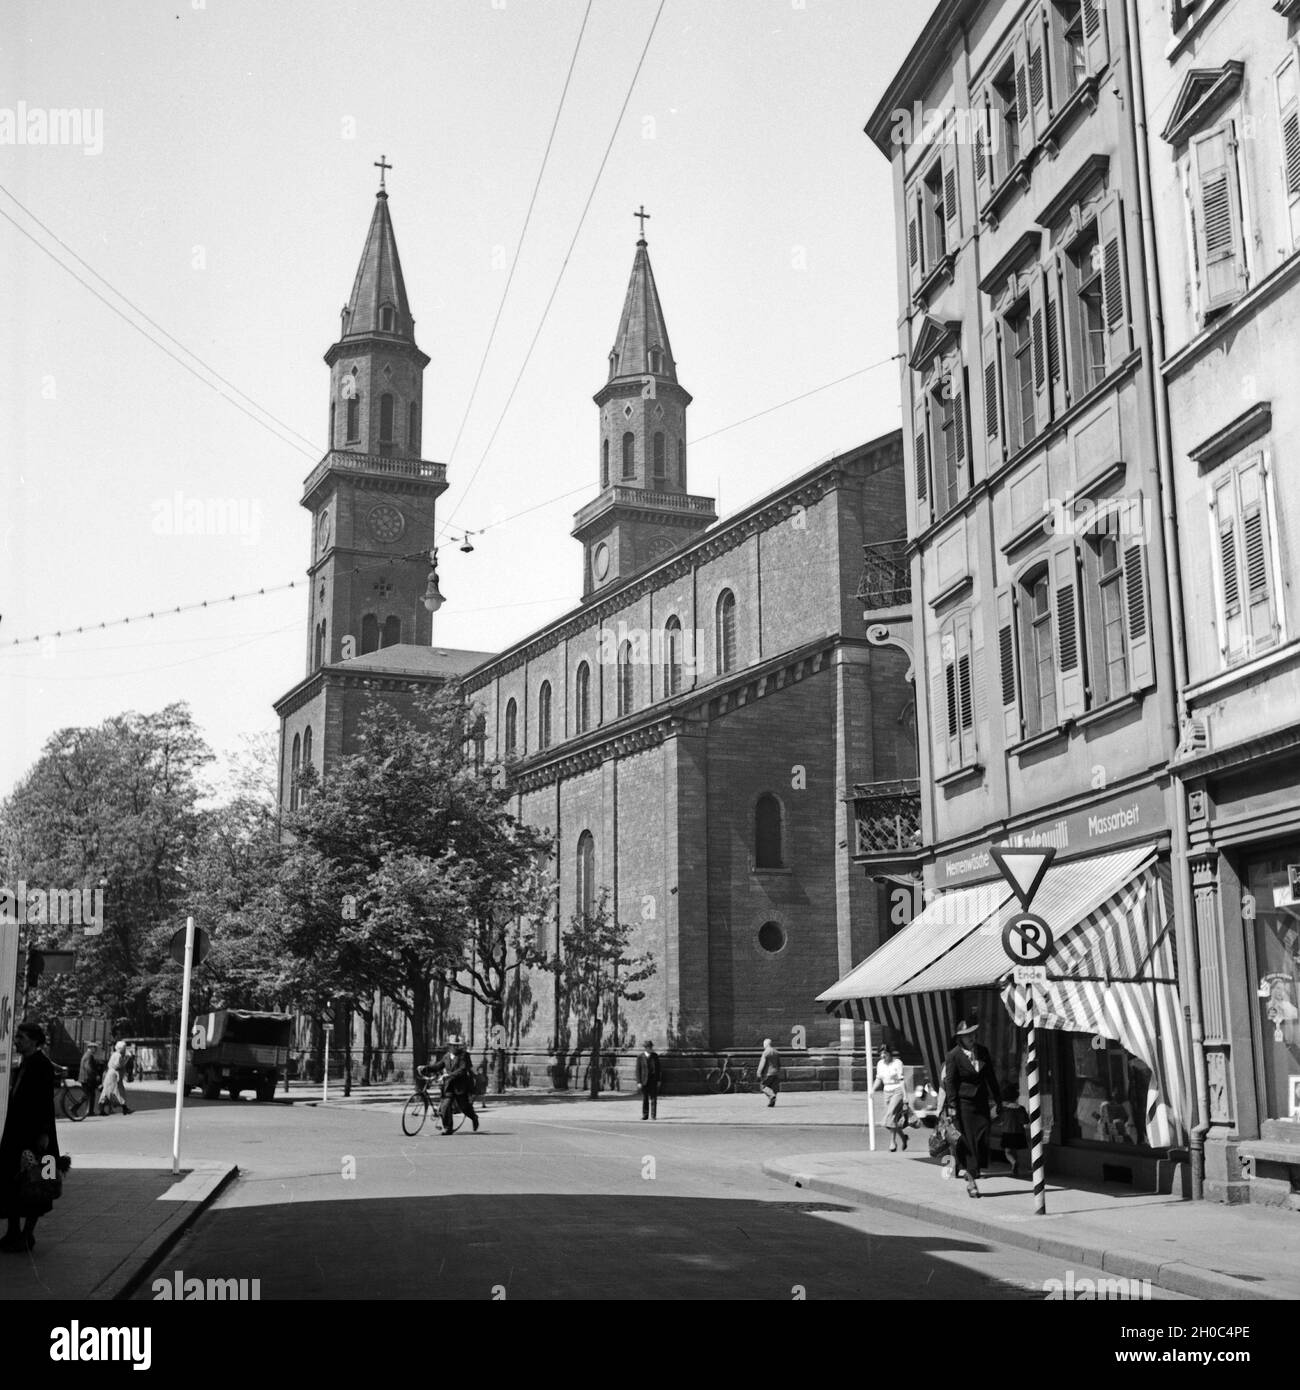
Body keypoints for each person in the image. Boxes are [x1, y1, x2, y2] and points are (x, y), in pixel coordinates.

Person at [1, 1023, 64, 1253]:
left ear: (34, 1041)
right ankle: (13, 1232)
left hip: (38, 1138)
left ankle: (27, 1234)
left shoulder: (42, 1065)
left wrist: (44, 1134)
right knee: (14, 1183)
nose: (16, 1040)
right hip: (17, 1135)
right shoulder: (24, 1063)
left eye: (21, 1037)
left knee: (38, 1186)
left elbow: (45, 1104)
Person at [940, 1019, 1002, 1198]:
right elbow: (950, 1082)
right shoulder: (953, 1055)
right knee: (968, 1142)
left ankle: (974, 1171)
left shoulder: (982, 1051)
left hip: (981, 1102)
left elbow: (990, 1076)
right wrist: (952, 1106)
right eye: (967, 1035)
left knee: (983, 1137)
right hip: (963, 1104)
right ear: (960, 1038)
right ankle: (971, 1179)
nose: (971, 1038)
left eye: (973, 1034)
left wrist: (998, 1099)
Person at [874, 1044, 910, 1152]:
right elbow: (878, 1079)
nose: (883, 1055)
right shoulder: (880, 1064)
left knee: (890, 1116)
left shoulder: (897, 1063)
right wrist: (872, 1090)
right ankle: (903, 1137)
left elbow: (902, 1080)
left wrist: (905, 1096)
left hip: (897, 1091)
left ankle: (892, 1142)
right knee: (892, 1119)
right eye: (881, 1053)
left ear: (890, 1053)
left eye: (885, 1053)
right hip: (886, 1092)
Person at [438, 1042, 479, 1135]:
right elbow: (438, 1066)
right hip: (449, 1086)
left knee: (464, 1107)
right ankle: (448, 1128)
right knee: (445, 1106)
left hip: (460, 1086)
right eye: (453, 1045)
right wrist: (425, 1068)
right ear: (449, 1046)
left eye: (457, 1045)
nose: (455, 1047)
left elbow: (462, 1069)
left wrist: (448, 1075)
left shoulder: (463, 1055)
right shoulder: (446, 1056)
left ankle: (474, 1117)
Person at [998, 1082, 1030, 1177]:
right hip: (1019, 1133)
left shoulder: (1003, 1109)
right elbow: (1025, 1121)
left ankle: (1014, 1162)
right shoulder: (1021, 1108)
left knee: (1007, 1152)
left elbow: (998, 1118)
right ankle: (1015, 1170)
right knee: (1015, 1150)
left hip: (1007, 1132)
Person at [97, 1041, 132, 1116]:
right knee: (119, 1091)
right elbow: (118, 1065)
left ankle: (101, 1109)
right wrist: (126, 1059)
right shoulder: (118, 1055)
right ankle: (124, 1108)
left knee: (106, 1091)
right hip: (114, 1075)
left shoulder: (114, 1054)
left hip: (110, 1074)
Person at [636, 1039, 661, 1120]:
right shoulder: (640, 1057)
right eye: (649, 1047)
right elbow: (638, 1070)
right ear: (646, 1048)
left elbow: (658, 1069)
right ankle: (645, 1115)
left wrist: (658, 1080)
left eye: (651, 1047)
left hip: (653, 1080)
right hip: (644, 1080)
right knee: (645, 1098)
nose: (651, 1048)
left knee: (653, 1098)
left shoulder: (655, 1056)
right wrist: (639, 1081)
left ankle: (653, 1115)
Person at [757, 1039, 782, 1108]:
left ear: (765, 1044)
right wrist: (778, 1071)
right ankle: (772, 1102)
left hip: (768, 1073)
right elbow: (779, 1064)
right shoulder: (776, 1052)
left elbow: (762, 1063)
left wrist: (758, 1072)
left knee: (763, 1086)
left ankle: (772, 1097)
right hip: (776, 1073)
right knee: (773, 1088)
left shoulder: (766, 1052)